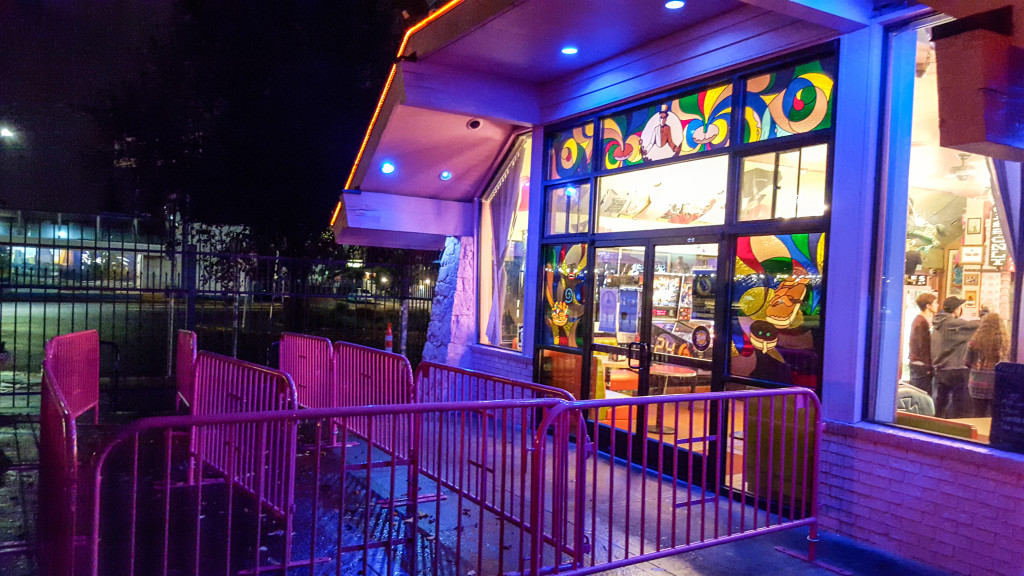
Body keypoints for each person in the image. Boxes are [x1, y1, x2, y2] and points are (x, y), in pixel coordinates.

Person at [930, 296, 980, 419]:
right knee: (959, 408)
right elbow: (976, 325)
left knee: (940, 405)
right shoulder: (953, 323)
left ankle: (937, 428)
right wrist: (985, 317)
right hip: (956, 369)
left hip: (940, 369)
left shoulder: (937, 323)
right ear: (956, 309)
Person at [964, 311, 1006, 418]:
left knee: (978, 414)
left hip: (977, 384)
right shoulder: (1004, 342)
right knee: (995, 416)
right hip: (996, 385)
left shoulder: (975, 341)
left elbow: (967, 362)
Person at [908, 293, 937, 394]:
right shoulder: (921, 322)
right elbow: (922, 346)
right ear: (928, 306)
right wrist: (928, 365)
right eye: (935, 303)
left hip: (919, 364)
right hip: (921, 365)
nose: (937, 305)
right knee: (921, 395)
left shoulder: (921, 320)